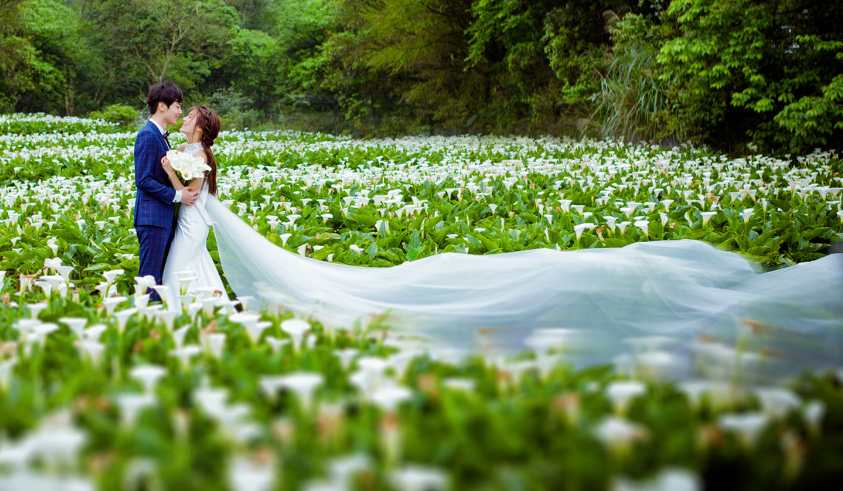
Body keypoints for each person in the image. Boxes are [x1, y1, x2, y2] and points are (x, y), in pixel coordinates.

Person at [154, 106, 843, 380]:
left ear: (199, 137)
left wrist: (176, 178)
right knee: (203, 270)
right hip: (194, 223)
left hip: (192, 220)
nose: (183, 131)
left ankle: (194, 316)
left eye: (188, 130)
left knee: (208, 271)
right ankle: (196, 313)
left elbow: (190, 194)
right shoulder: (202, 158)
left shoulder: (197, 160)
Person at [133, 81, 199, 301]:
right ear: (162, 106)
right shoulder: (148, 135)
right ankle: (145, 322)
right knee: (149, 280)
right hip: (152, 220)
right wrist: (178, 195)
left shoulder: (159, 136)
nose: (180, 112)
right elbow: (143, 180)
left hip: (161, 218)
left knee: (156, 279)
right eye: (177, 106)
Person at [159, 105, 227, 297]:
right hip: (181, 220)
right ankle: (210, 308)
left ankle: (183, 315)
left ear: (199, 127)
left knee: (175, 275)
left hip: (193, 223)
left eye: (190, 117)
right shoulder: (183, 149)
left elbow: (190, 197)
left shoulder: (201, 156)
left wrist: (171, 173)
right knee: (196, 271)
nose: (185, 119)